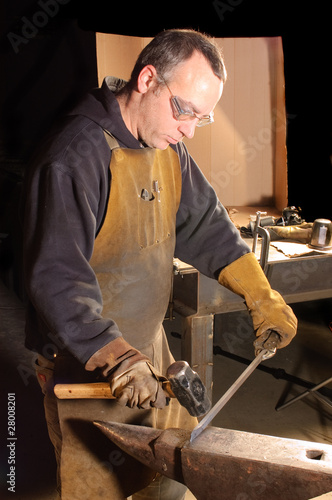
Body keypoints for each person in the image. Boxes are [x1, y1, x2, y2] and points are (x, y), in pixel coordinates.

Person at [22, 29, 297, 500]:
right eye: (185, 111)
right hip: (88, 363)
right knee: (99, 488)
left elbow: (206, 223)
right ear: (147, 79)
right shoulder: (75, 157)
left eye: (202, 119)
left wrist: (259, 292)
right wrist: (117, 356)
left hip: (153, 354)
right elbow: (56, 277)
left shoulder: (166, 147)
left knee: (173, 480)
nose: (189, 129)